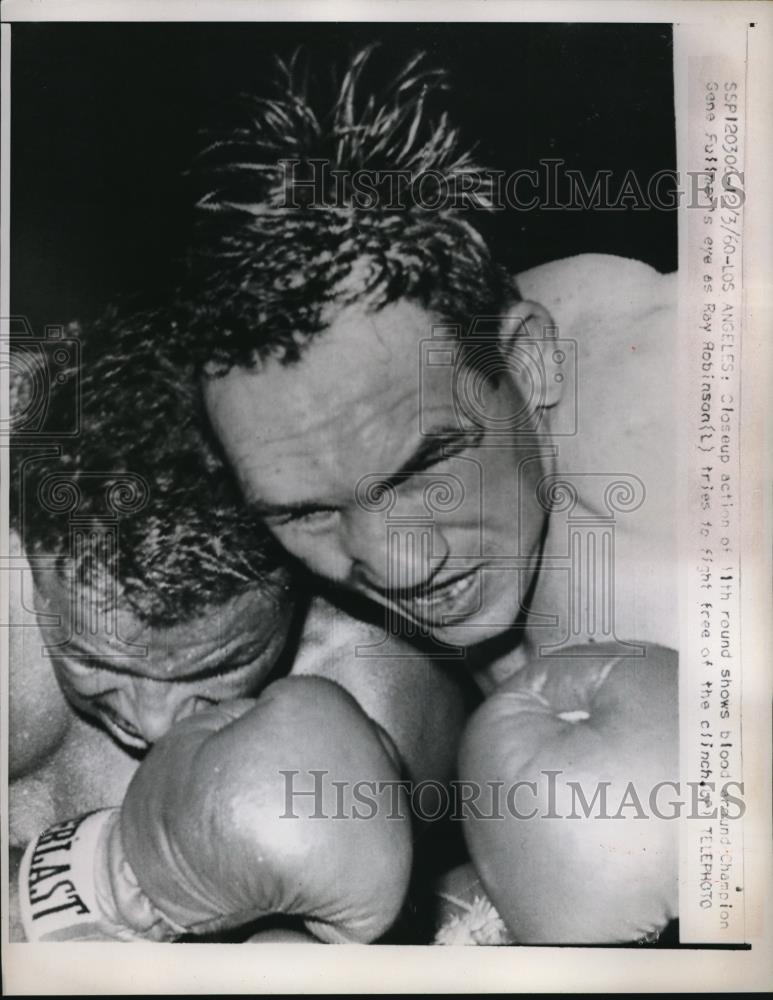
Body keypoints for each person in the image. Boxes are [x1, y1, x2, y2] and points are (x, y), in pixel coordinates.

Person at [184, 47, 680, 944]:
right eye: (306, 511)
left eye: (421, 467)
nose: (393, 563)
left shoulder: (683, 445)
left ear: (524, 360)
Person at [9, 305, 469, 942]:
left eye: (219, 666)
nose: (153, 721)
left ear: (302, 571)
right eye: (95, 661)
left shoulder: (373, 709)